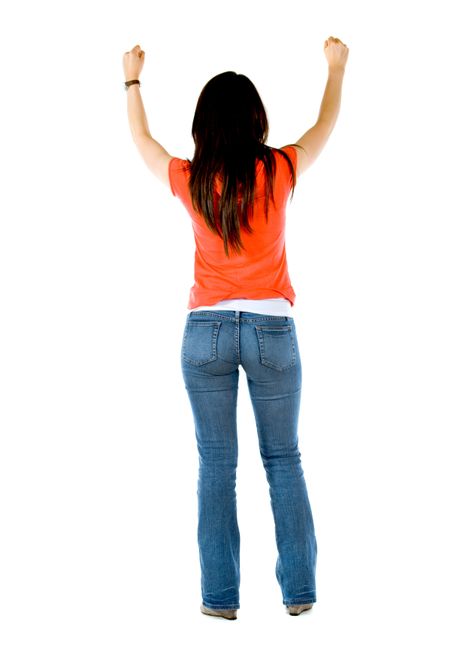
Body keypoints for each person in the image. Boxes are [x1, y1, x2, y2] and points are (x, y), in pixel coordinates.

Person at [123, 36, 349, 620]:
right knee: (284, 459)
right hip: (274, 331)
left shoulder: (191, 178)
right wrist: (334, 68)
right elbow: (326, 123)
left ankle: (220, 601)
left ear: (203, 125)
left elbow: (143, 143)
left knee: (215, 466)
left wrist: (132, 82)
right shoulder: (279, 168)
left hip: (206, 334)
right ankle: (299, 593)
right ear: (256, 119)